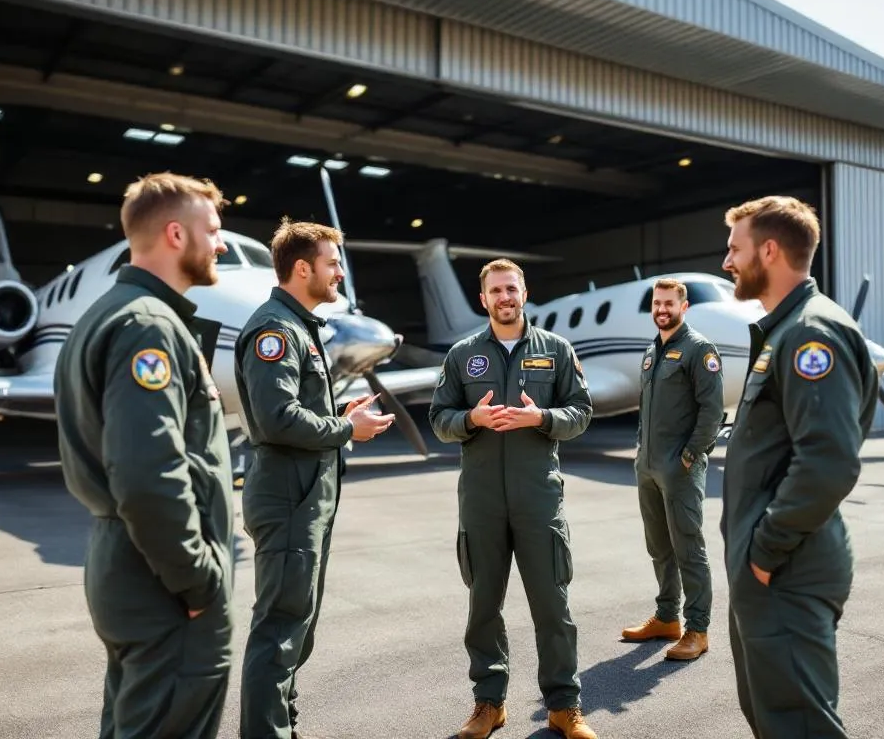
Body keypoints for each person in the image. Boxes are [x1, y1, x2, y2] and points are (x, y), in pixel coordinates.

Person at [54, 171, 236, 739]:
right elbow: (148, 474)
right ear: (176, 236)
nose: (222, 242)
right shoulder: (147, 327)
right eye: (214, 229)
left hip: (130, 568)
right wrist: (199, 581)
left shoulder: (114, 313)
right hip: (162, 585)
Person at [718, 195, 878, 738]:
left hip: (786, 569)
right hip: (774, 568)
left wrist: (764, 553)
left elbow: (829, 461)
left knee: (798, 725)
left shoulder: (811, 334)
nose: (727, 262)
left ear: (769, 249)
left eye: (735, 249)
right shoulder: (784, 331)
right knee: (774, 715)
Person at [234, 218, 396, 739]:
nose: (340, 274)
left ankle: (283, 726)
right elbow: (277, 418)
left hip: (305, 501)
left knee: (295, 631)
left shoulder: (300, 326)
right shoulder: (275, 332)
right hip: (288, 503)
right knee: (280, 630)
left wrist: (337, 411)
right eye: (333, 264)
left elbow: (295, 411)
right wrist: (349, 426)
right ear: (301, 268)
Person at [427, 258, 597, 739]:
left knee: (552, 605)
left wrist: (541, 418)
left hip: (538, 496)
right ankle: (488, 704)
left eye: (512, 289)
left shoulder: (556, 350)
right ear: (484, 299)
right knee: (483, 606)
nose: (505, 298)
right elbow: (440, 419)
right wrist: (471, 421)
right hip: (481, 500)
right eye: (496, 291)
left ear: (525, 293)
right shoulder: (462, 356)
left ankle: (564, 706)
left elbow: (581, 412)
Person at [620, 277, 724, 661]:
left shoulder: (700, 350)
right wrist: (641, 452)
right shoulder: (652, 351)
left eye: (669, 303)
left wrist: (690, 455)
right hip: (647, 466)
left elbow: (712, 412)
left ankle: (698, 630)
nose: (662, 310)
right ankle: (667, 618)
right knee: (659, 547)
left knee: (688, 548)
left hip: (679, 468)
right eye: (657, 303)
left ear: (684, 307)